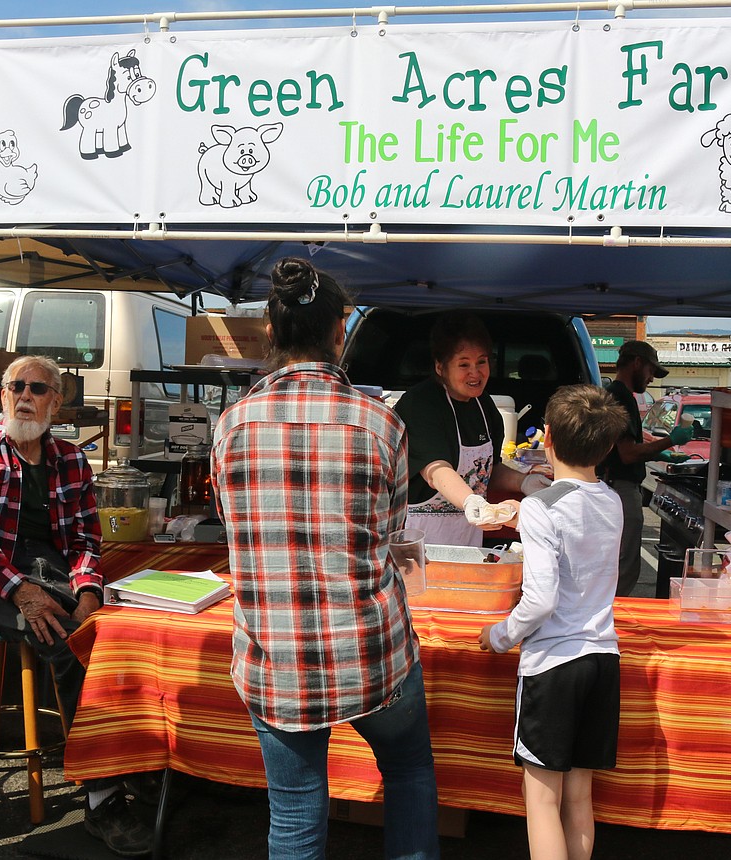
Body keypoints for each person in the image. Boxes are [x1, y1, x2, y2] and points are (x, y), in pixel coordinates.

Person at [211, 257, 439, 860]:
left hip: (274, 655)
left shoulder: (232, 426)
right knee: (409, 771)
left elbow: (232, 527)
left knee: (294, 812)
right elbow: (390, 530)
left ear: (270, 332)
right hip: (370, 648)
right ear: (340, 332)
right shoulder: (380, 423)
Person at [0, 355, 152, 858]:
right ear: (0, 396)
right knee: (70, 649)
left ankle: (135, 760)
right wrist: (20, 589)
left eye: (37, 388)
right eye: (15, 386)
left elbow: (87, 538)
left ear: (56, 401)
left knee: (122, 639)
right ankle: (103, 796)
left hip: (58, 578)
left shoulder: (70, 458)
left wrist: (89, 593)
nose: (24, 395)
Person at [478, 384, 629, 860]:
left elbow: (540, 599)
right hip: (602, 658)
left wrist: (499, 636)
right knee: (580, 795)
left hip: (554, 665)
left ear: (545, 438)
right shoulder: (613, 499)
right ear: (607, 447)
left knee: (542, 800)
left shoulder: (543, 508)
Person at [394, 310, 552, 546]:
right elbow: (436, 471)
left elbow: (488, 472)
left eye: (482, 361)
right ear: (440, 367)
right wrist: (471, 502)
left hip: (468, 535)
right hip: (420, 537)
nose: (475, 373)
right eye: (463, 364)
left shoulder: (484, 405)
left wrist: (523, 482)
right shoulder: (420, 404)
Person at [599, 340, 692, 596]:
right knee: (625, 565)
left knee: (617, 562)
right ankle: (612, 618)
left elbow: (622, 447)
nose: (651, 378)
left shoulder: (615, 393)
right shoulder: (621, 397)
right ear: (637, 363)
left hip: (612, 485)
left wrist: (662, 453)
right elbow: (627, 454)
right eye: (651, 370)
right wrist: (671, 440)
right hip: (620, 488)